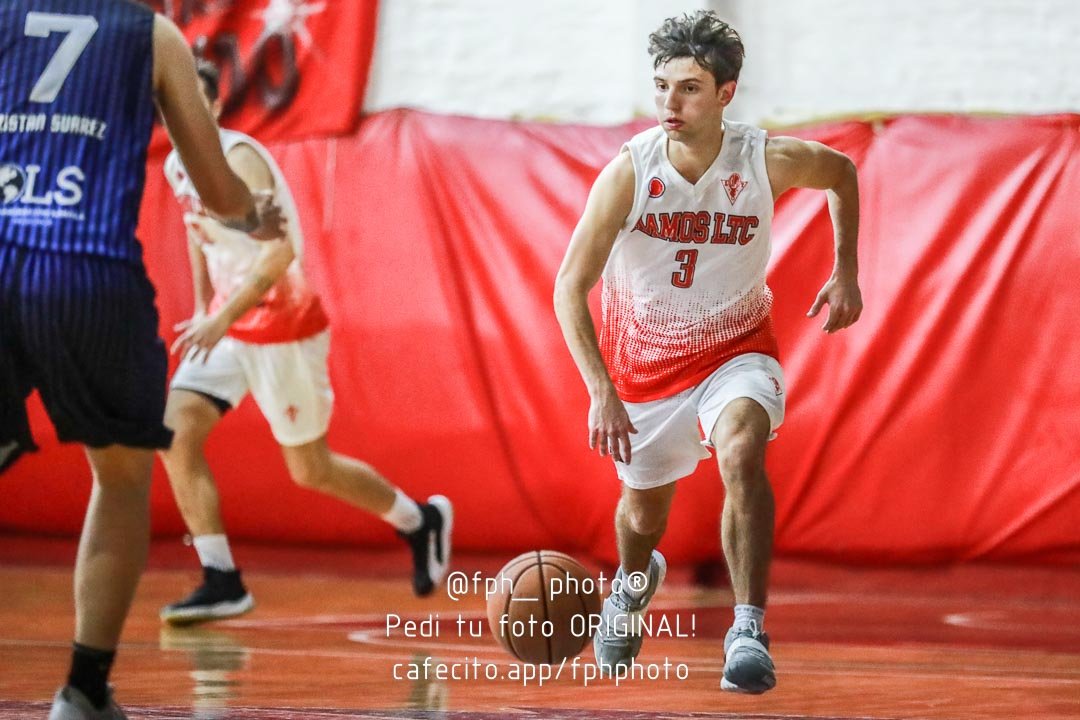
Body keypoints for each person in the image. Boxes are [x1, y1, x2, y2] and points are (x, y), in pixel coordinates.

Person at [553, 10, 862, 694]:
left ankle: (747, 627)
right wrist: (601, 390)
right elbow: (568, 288)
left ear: (726, 93)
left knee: (744, 449)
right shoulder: (629, 174)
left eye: (689, 87)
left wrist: (846, 271)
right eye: (662, 85)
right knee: (640, 521)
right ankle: (632, 586)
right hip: (643, 373)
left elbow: (842, 172)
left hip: (736, 351)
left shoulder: (764, 159)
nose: (670, 101)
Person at [0, 1, 285, 718]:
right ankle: (84, 691)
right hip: (90, 271)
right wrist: (257, 212)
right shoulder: (151, 34)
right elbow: (217, 189)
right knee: (121, 477)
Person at [156, 60, 453, 626]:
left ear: (214, 107)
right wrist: (202, 308)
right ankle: (221, 579)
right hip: (228, 324)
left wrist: (220, 320)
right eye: (169, 101)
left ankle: (420, 520)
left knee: (310, 469)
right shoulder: (178, 163)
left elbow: (278, 253)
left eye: (191, 99)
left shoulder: (238, 159)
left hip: (280, 325)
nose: (179, 111)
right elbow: (197, 233)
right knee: (175, 432)